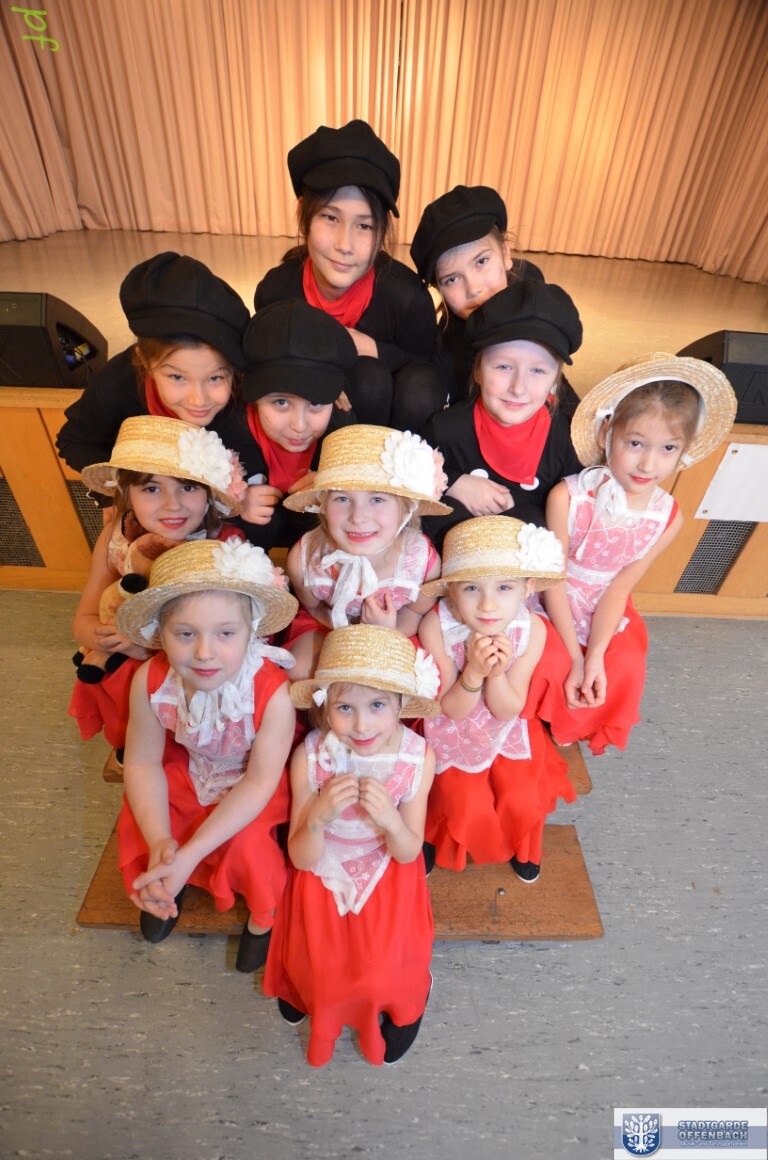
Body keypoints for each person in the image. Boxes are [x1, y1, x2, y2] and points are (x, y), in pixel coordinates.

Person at [538, 352, 737, 756]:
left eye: (668, 448)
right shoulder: (569, 497)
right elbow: (551, 579)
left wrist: (594, 655)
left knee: (624, 661)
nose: (648, 463)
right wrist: (575, 656)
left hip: (606, 603)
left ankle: (577, 723)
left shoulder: (668, 517)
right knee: (552, 662)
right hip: (550, 598)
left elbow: (620, 587)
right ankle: (540, 720)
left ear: (683, 451)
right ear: (605, 433)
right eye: (635, 443)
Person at [115, 537, 298, 970]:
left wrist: (192, 851)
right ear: (160, 634)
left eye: (226, 634)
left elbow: (259, 783)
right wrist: (162, 841)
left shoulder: (273, 694)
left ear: (251, 633)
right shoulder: (150, 679)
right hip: (191, 767)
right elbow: (141, 762)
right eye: (185, 634)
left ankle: (263, 915)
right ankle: (165, 877)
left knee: (248, 847)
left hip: (251, 782)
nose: (203, 653)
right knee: (151, 818)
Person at [263, 624, 439, 1066]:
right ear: (325, 706)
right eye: (345, 707)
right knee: (320, 971)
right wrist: (318, 816)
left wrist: (390, 820)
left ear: (401, 704)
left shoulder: (417, 757)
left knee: (380, 971)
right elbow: (301, 858)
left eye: (377, 705)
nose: (361, 725)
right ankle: (311, 991)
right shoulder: (310, 756)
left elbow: (408, 851)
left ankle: (406, 996)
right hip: (323, 862)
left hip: (388, 868)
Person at [69, 416, 247, 756]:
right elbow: (85, 617)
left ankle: (191, 742)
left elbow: (233, 637)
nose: (172, 504)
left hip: (199, 658)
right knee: (122, 672)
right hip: (124, 657)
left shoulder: (223, 547)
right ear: (127, 494)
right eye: (151, 489)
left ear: (209, 494)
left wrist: (150, 648)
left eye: (188, 487)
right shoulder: (114, 539)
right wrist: (98, 636)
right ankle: (132, 743)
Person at [254, 119, 444, 430]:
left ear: (381, 231)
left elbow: (429, 367)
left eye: (364, 225)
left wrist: (375, 350)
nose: (345, 245)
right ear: (304, 215)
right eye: (330, 217)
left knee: (403, 382)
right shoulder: (277, 292)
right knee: (365, 379)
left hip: (395, 423)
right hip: (310, 428)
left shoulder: (408, 299)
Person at [418, 515, 575, 881]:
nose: (487, 605)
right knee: (460, 798)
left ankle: (523, 842)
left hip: (505, 719)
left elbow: (508, 710)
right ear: (451, 590)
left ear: (527, 588)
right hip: (455, 717)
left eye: (504, 587)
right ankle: (432, 836)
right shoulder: (436, 626)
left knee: (521, 795)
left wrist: (497, 673)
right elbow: (451, 709)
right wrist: (473, 672)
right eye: (472, 588)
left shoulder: (532, 629)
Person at [56, 252, 250, 487]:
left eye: (216, 377)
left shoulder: (247, 390)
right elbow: (75, 442)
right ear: (145, 362)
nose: (199, 400)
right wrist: (124, 488)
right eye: (177, 376)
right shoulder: (114, 386)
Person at [421, 279, 584, 550]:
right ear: (477, 371)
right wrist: (454, 482)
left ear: (556, 380)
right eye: (504, 367)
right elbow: (410, 475)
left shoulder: (567, 441)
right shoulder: (445, 430)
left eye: (538, 371)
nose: (518, 388)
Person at [282, 424, 451, 678]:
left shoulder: (420, 561)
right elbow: (314, 609)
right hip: (329, 627)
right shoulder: (305, 559)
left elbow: (416, 611)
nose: (358, 517)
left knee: (403, 679)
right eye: (342, 498)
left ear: (405, 509)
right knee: (300, 671)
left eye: (377, 499)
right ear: (323, 506)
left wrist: (383, 632)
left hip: (397, 629)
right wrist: (350, 633)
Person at [411, 184, 560, 409]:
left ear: (506, 254)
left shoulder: (536, 301)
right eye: (452, 279)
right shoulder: (447, 350)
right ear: (439, 289)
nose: (474, 288)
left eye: (481, 261)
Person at [233, 299, 358, 551]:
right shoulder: (230, 431)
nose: (299, 426)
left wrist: (331, 490)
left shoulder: (341, 429)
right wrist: (233, 505)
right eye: (280, 402)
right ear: (253, 395)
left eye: (315, 403)